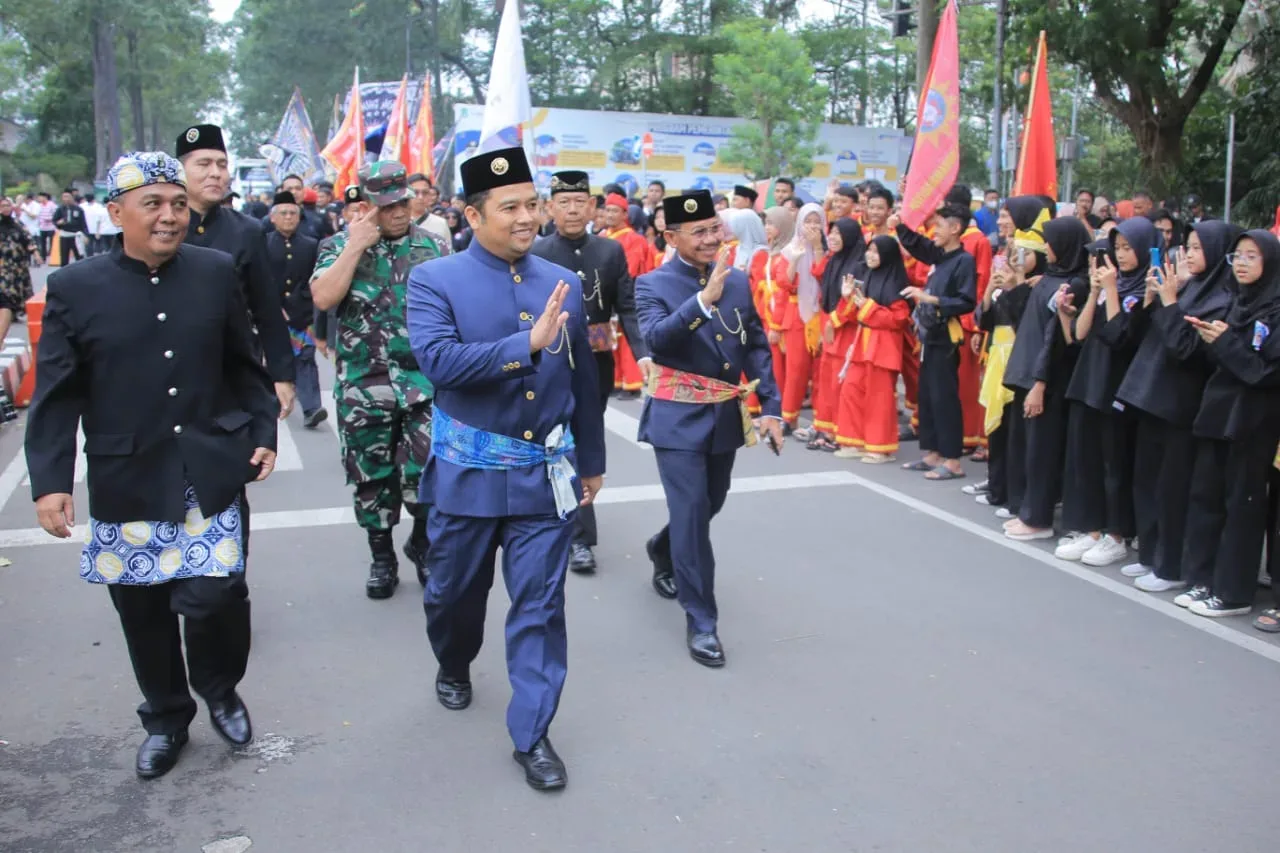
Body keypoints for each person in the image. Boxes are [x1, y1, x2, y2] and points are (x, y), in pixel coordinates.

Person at [24, 151, 279, 780]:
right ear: (116, 214)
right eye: (153, 205)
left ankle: (220, 689)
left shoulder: (216, 272)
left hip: (209, 470)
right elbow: (57, 393)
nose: (170, 216)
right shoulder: (76, 287)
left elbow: (245, 367)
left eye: (177, 204)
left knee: (218, 595)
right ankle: (167, 718)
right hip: (127, 474)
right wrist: (51, 483)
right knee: (141, 608)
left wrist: (263, 429)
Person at [407, 146, 605, 791]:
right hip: (469, 474)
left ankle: (534, 733)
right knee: (453, 595)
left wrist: (591, 462)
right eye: (510, 207)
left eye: (531, 205)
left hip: (546, 476)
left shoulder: (565, 283)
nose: (527, 218)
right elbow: (438, 363)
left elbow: (584, 382)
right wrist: (527, 346)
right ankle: (454, 661)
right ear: (471, 213)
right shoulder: (435, 280)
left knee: (541, 606)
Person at [635, 189, 783, 667]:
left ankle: (663, 547)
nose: (709, 239)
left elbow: (757, 343)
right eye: (697, 232)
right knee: (695, 511)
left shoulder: (739, 281)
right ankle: (701, 621)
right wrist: (701, 301)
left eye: (714, 229)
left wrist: (773, 408)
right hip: (676, 417)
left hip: (723, 414)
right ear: (671, 235)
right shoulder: (651, 284)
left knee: (708, 504)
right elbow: (656, 340)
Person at [311, 162, 440, 597]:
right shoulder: (337, 246)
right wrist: (355, 246)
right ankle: (381, 556)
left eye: (403, 202)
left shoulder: (434, 247)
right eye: (387, 206)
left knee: (428, 472)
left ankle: (421, 543)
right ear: (367, 207)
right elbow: (325, 297)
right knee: (372, 477)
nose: (399, 212)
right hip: (364, 385)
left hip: (423, 385)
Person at [1118, 221, 1241, 589]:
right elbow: (1151, 335)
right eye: (1187, 246)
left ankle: (1170, 566)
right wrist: (1158, 299)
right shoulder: (1191, 287)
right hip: (1154, 398)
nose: (1188, 254)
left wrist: (1170, 301)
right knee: (1147, 481)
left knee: (1173, 489)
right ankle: (1150, 555)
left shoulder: (1223, 298)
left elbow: (1186, 350)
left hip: (1182, 406)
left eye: (1198, 248)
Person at [532, 169, 644, 573]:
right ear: (550, 208)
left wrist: (643, 352)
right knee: (555, 437)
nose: (573, 210)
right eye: (564, 202)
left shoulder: (609, 252)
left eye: (581, 202)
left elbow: (627, 307)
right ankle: (567, 527)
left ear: (593, 207)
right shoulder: (538, 251)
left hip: (596, 361)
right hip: (549, 360)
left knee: (583, 437)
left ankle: (579, 535)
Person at [1177, 230, 1280, 617]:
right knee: (1207, 498)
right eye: (1237, 256)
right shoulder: (1235, 303)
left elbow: (1261, 373)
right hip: (1218, 414)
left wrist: (1224, 344)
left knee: (1242, 505)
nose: (1241, 263)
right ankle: (1204, 579)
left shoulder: (1275, 312)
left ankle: (1234, 592)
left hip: (1254, 422)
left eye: (1252, 256)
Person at [176, 124, 297, 418]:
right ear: (180, 172)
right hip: (172, 368)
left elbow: (266, 307)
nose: (216, 173)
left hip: (232, 367)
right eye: (203, 164)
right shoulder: (164, 225)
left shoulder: (246, 230)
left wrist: (282, 373)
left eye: (222, 164)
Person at [891, 204, 978, 480]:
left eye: (939, 226)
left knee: (944, 398)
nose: (934, 231)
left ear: (955, 228)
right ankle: (932, 454)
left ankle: (952, 460)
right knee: (927, 395)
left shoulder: (964, 261)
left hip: (945, 337)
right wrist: (900, 226)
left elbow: (967, 301)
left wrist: (932, 299)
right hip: (929, 335)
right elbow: (919, 246)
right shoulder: (941, 256)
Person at [834, 235, 911, 462]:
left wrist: (867, 306)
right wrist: (847, 297)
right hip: (861, 343)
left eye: (876, 251)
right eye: (869, 250)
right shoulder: (864, 276)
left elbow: (899, 319)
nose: (870, 255)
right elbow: (851, 313)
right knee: (851, 390)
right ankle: (854, 441)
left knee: (880, 398)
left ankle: (880, 447)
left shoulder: (897, 283)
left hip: (883, 346)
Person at [265, 191, 326, 429]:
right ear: (273, 218)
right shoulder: (262, 243)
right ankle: (273, 403)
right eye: (284, 213)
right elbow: (259, 280)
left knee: (306, 359)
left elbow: (316, 279)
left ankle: (312, 408)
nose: (289, 217)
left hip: (304, 313)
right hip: (273, 314)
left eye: (293, 213)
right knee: (273, 360)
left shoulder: (311, 245)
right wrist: (272, 306)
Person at [809, 217, 866, 451]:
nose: (832, 238)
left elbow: (854, 301)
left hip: (848, 330)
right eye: (830, 233)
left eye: (838, 235)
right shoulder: (835, 261)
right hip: (833, 326)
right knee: (828, 379)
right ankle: (827, 429)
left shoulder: (858, 264)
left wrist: (833, 321)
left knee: (842, 381)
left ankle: (843, 433)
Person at [52, 188, 87, 266]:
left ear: (72, 197)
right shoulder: (60, 209)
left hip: (76, 235)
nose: (65, 199)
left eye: (67, 196)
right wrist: (58, 223)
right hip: (64, 235)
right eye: (64, 197)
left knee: (79, 257)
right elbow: (54, 221)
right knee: (64, 258)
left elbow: (83, 223)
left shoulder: (78, 209)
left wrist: (85, 235)